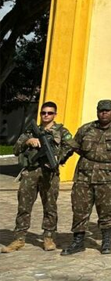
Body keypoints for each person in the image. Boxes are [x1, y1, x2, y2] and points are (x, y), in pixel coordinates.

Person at [1, 101, 73, 253]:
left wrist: (57, 158)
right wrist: (28, 141)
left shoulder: (62, 131)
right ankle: (19, 238)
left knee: (50, 206)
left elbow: (70, 147)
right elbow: (16, 149)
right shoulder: (30, 131)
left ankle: (48, 237)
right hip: (31, 172)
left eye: (50, 113)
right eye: (43, 113)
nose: (46, 115)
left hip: (50, 173)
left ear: (55, 114)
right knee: (24, 206)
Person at [61, 100, 111, 256]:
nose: (104, 113)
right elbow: (73, 146)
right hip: (84, 176)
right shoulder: (86, 129)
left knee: (107, 210)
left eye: (107, 110)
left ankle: (106, 241)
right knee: (79, 209)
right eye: (101, 110)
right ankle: (78, 241)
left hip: (108, 178)